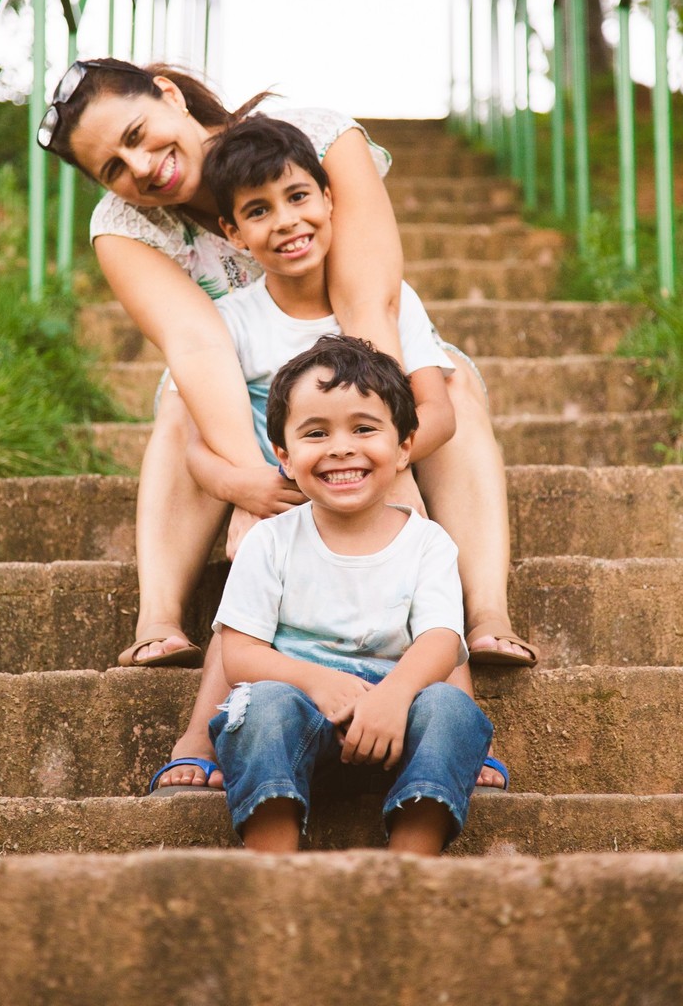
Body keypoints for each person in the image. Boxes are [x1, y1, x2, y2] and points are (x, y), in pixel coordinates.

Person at [36, 57, 534, 795]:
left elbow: (372, 303)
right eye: (114, 165)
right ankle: (160, 614)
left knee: (453, 396)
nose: (142, 166)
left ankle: (485, 609)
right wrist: (255, 490)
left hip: (370, 364)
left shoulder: (318, 141)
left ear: (169, 96)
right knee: (181, 406)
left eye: (141, 133)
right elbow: (198, 347)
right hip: (241, 383)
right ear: (236, 232)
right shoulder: (125, 226)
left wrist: (380, 455)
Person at [210, 335, 494, 853]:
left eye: (364, 428)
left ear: (405, 445)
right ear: (285, 457)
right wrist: (318, 683)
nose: (341, 447)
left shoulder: (427, 541)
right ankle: (271, 865)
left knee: (452, 710)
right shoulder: (270, 540)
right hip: (304, 709)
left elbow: (440, 640)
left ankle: (409, 866)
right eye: (315, 433)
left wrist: (393, 696)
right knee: (258, 706)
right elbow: (239, 653)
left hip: (396, 713)